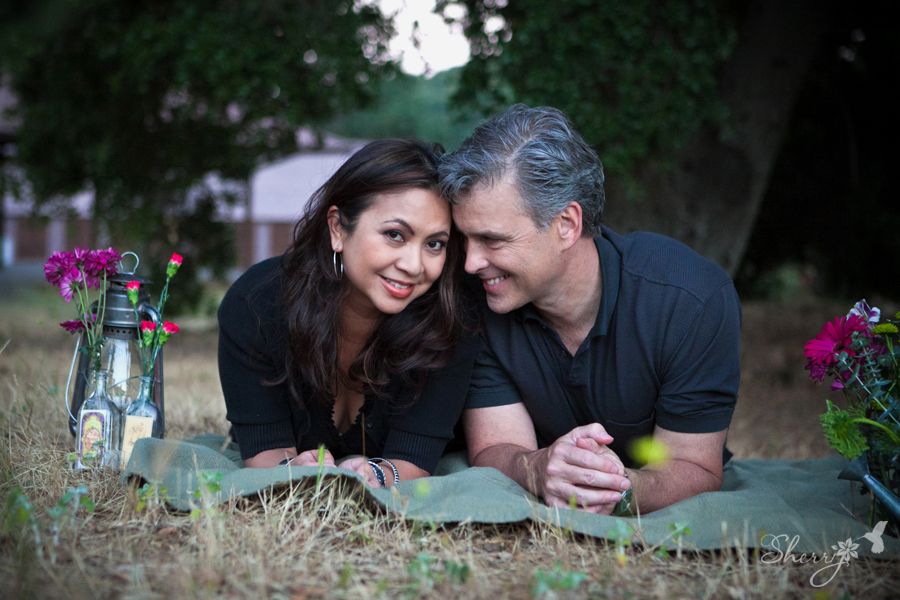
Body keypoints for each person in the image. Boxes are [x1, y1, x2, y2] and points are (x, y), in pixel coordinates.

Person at [439, 104, 741, 514]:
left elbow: (695, 465)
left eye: (492, 240)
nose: (471, 262)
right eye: (465, 239)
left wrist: (619, 489)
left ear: (566, 224)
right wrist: (539, 467)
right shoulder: (476, 300)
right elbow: (496, 446)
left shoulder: (690, 300)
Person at [218, 139, 478, 487]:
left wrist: (381, 474)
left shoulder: (450, 319)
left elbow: (412, 460)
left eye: (434, 244)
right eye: (395, 235)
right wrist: (291, 469)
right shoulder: (257, 304)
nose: (415, 265)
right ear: (338, 228)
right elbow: (267, 456)